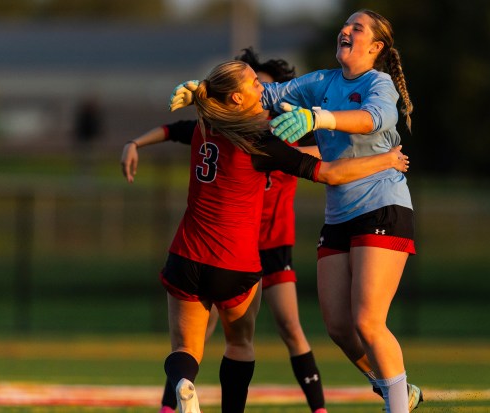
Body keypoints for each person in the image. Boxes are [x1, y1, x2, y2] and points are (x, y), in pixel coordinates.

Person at [169, 9, 423, 413]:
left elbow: (377, 119)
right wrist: (204, 89)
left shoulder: (379, 83)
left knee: (368, 321)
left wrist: (321, 116)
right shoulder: (322, 81)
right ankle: (396, 387)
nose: (346, 30)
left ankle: (396, 405)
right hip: (340, 214)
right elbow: (265, 96)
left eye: (357, 28)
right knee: (339, 327)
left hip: (382, 205)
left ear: (375, 47)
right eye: (346, 25)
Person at [122, 47, 328, 413]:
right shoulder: (262, 139)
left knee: (188, 346)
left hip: (216, 249)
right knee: (239, 342)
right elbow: (325, 167)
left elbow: (182, 124)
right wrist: (373, 148)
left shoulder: (214, 124)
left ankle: (181, 393)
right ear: (237, 97)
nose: (263, 93)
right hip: (239, 256)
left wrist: (136, 140)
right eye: (254, 86)